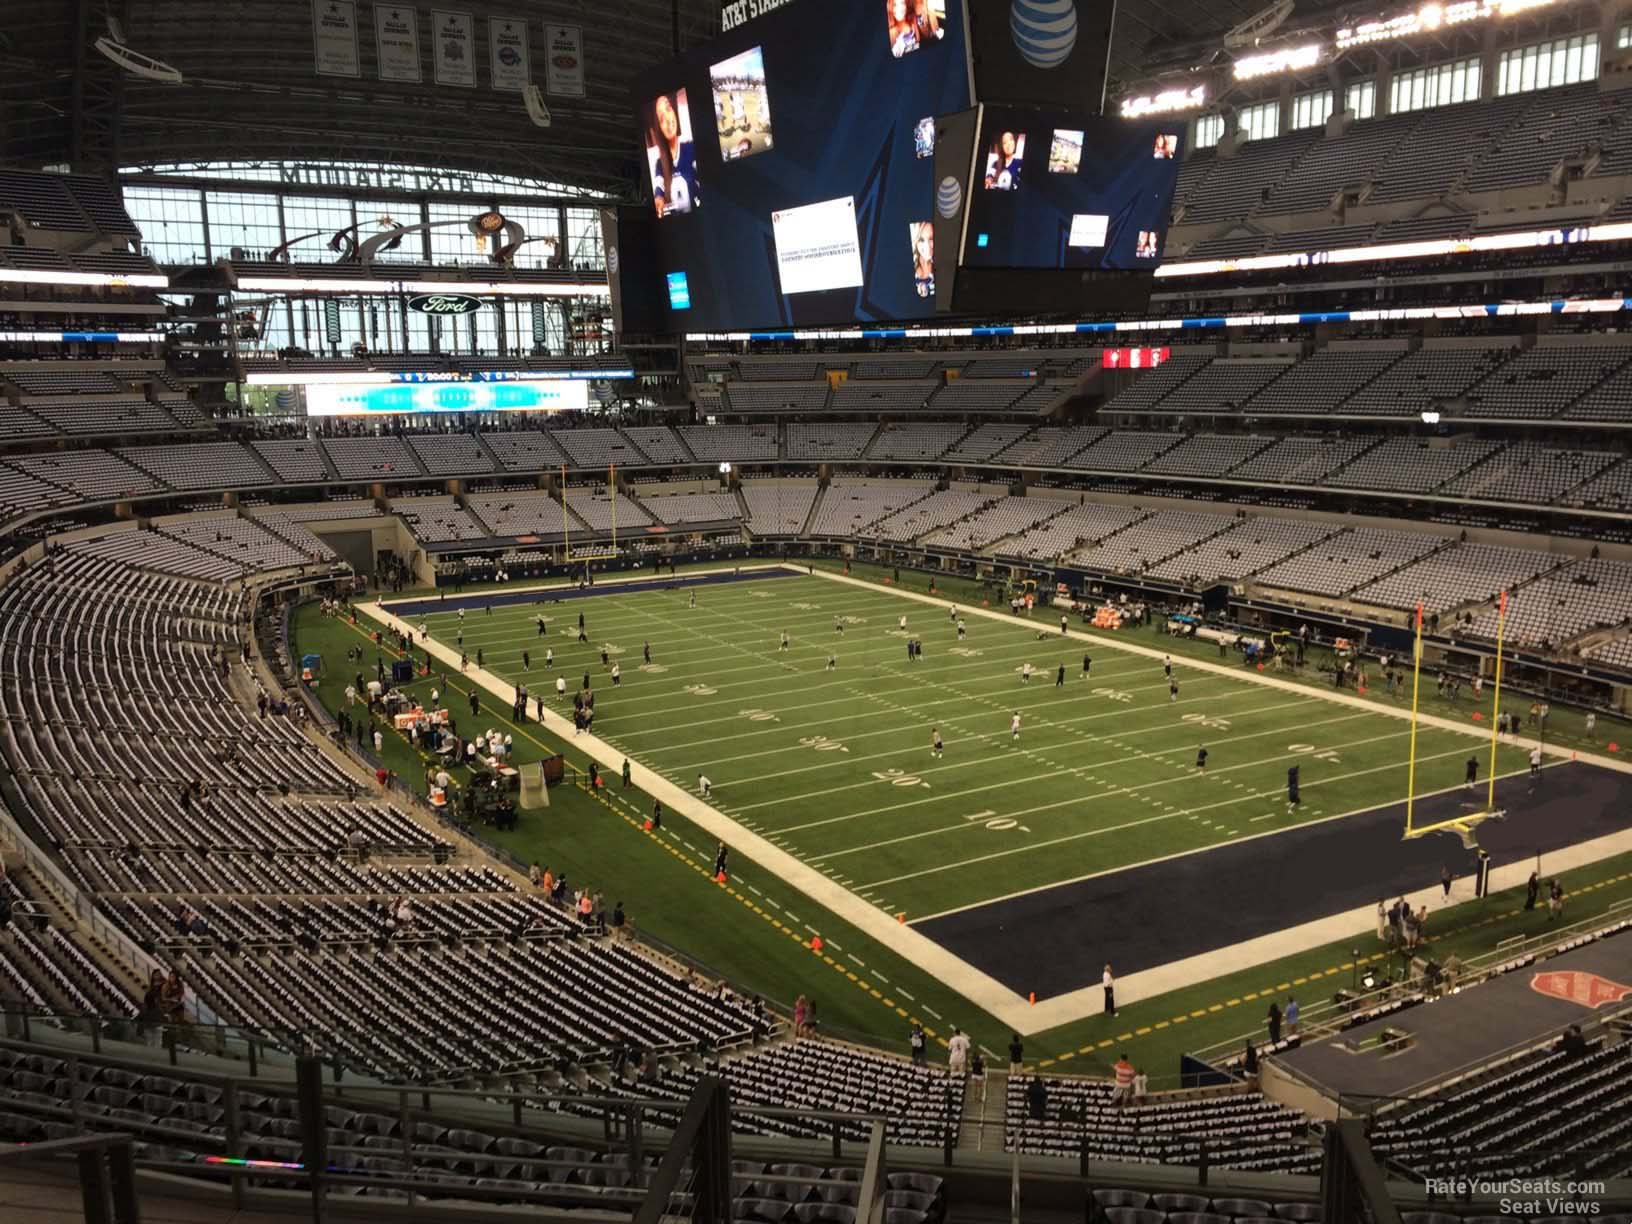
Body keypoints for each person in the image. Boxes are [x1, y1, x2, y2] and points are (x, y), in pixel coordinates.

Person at [648, 91, 699, 217]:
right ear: (659, 127)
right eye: (661, 118)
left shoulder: (691, 147)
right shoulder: (660, 163)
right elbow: (659, 189)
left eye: (668, 108)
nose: (668, 119)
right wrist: (658, 200)